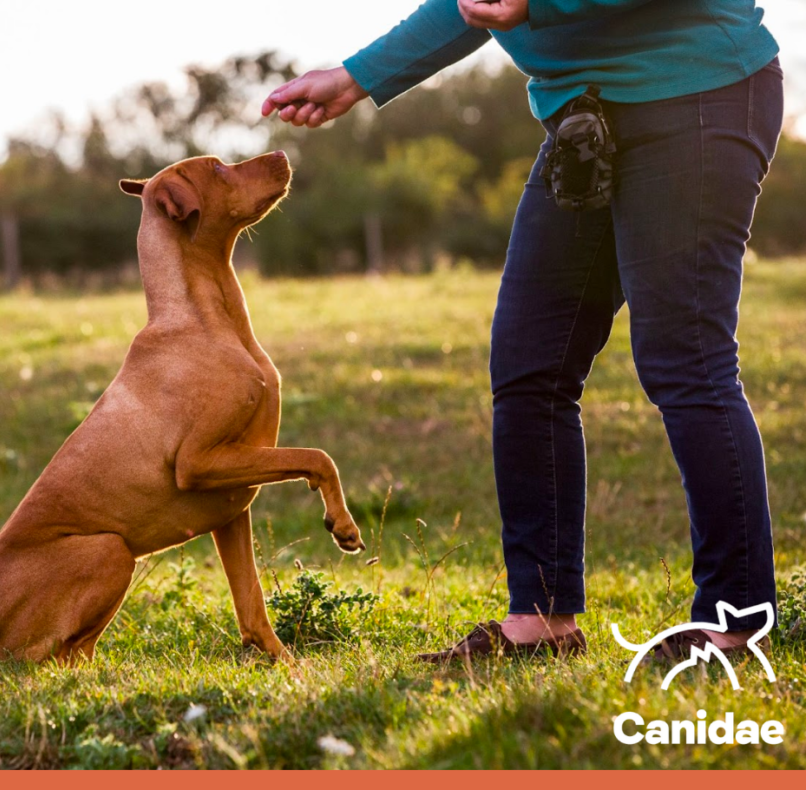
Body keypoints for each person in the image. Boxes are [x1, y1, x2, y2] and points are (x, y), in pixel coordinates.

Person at [262, 0, 784, 662]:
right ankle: (541, 621)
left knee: (687, 359)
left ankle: (735, 624)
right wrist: (357, 76)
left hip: (697, 96)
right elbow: (475, 4)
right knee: (530, 365)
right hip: (582, 118)